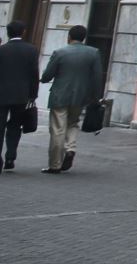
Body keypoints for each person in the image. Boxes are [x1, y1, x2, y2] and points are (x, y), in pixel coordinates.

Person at [39, 24, 104, 173]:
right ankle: (70, 148)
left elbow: (47, 75)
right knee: (73, 123)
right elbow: (97, 77)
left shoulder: (60, 53)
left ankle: (55, 164)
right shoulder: (94, 53)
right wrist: (95, 96)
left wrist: (43, 78)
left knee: (58, 129)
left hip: (60, 95)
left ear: (69, 37)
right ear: (84, 37)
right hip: (81, 96)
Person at [0, 19, 40, 174]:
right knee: (15, 126)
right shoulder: (31, 50)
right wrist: (33, 95)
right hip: (21, 96)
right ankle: (10, 157)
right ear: (24, 32)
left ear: (8, 33)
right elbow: (34, 74)